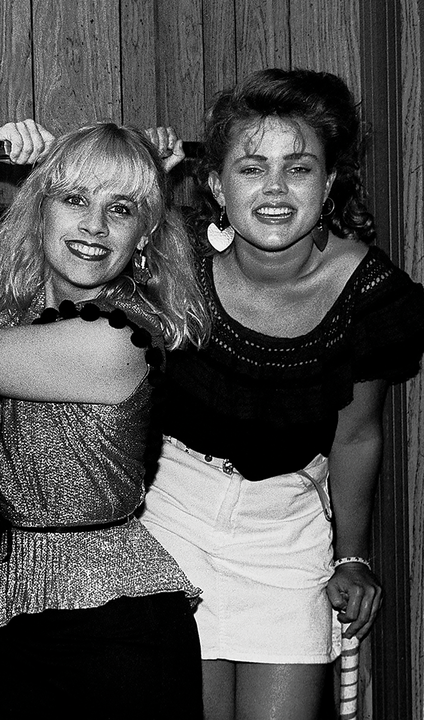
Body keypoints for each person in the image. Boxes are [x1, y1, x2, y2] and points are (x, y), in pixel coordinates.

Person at [141, 68, 424, 720]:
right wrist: (139, 178)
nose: (274, 188)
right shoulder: (173, 255)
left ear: (328, 184)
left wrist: (352, 556)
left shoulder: (369, 293)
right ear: (217, 186)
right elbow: (56, 258)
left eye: (298, 169)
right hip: (169, 514)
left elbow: (357, 434)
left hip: (286, 530)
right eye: (251, 168)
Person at [0, 123, 208, 718]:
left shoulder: (119, 339)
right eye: (75, 199)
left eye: (121, 209)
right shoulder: (20, 299)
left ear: (144, 235)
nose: (94, 225)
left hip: (119, 632)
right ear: (41, 207)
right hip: (10, 614)